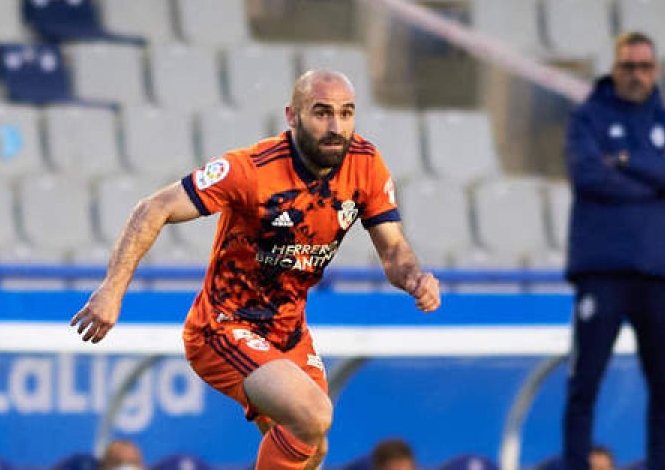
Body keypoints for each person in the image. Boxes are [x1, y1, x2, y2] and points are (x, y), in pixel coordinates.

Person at [71, 70, 441, 470]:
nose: (336, 127)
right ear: (292, 116)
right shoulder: (251, 169)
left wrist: (414, 278)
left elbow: (393, 249)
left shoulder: (365, 165)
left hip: (289, 331)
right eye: (321, 113)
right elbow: (153, 207)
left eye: (346, 113)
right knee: (313, 414)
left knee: (312, 448)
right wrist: (112, 289)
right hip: (224, 326)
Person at [562, 32, 665, 470]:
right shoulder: (588, 119)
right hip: (602, 271)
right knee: (585, 383)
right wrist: (656, 181)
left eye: (645, 67)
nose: (637, 75)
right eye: (629, 66)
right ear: (614, 68)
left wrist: (624, 160)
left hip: (660, 273)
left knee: (664, 386)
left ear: (655, 71)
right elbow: (588, 176)